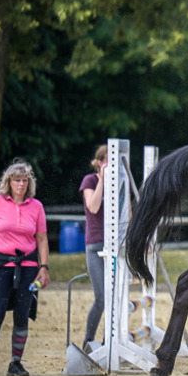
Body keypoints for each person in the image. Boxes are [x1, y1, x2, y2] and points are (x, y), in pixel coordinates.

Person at [0, 159, 50, 376]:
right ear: (9, 182)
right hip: (3, 265)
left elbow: (42, 238)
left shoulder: (36, 206)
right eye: (17, 180)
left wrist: (44, 266)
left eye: (25, 180)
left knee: (22, 313)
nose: (21, 184)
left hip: (29, 266)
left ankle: (15, 363)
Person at [80, 145, 108, 351]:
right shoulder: (90, 181)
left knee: (115, 299)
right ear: (99, 163)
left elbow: (128, 213)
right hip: (95, 244)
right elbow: (94, 206)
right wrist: (103, 180)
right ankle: (88, 340)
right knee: (101, 298)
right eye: (108, 160)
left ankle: (110, 342)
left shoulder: (121, 182)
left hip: (115, 245)